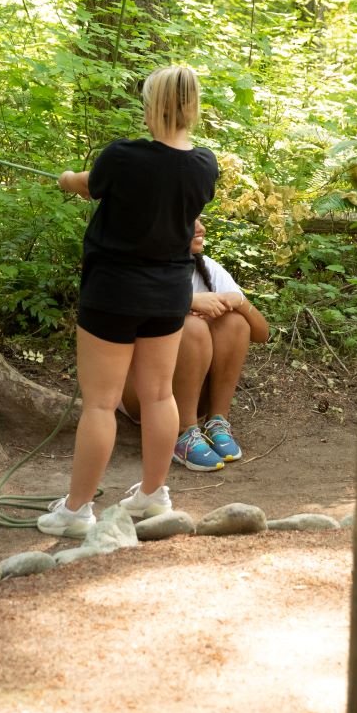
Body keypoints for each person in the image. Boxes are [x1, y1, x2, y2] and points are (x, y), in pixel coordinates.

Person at [41, 65, 220, 537]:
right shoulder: (205, 164)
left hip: (113, 292)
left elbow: (87, 184)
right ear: (191, 107)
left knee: (100, 404)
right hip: (168, 294)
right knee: (160, 394)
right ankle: (153, 495)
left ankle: (76, 511)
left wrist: (64, 178)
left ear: (152, 105)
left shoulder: (121, 156)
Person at [120, 218, 269, 470]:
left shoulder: (206, 268)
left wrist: (240, 301)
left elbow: (261, 334)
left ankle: (217, 422)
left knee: (235, 322)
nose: (200, 228)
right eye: (189, 221)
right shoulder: (139, 269)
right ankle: (184, 432)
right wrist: (187, 301)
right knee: (192, 326)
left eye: (200, 220)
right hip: (142, 392)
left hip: (193, 392)